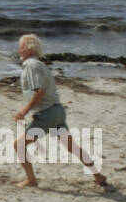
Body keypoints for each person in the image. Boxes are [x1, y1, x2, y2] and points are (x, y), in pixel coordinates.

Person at [12, 33, 109, 190]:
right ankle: (98, 175)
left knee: (19, 145)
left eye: (21, 47)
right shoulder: (39, 65)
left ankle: (31, 180)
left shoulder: (31, 65)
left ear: (30, 50)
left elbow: (40, 91)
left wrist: (24, 110)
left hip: (47, 114)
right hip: (57, 111)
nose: (19, 50)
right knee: (72, 147)